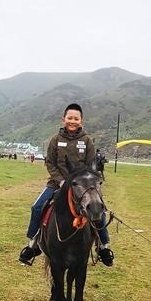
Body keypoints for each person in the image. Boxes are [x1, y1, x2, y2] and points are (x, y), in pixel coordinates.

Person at [18, 103, 113, 267]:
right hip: (57, 183)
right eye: (70, 118)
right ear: (64, 119)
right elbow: (50, 163)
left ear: (81, 121)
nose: (73, 121)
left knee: (99, 209)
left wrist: (84, 182)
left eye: (76, 118)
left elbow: (91, 165)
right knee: (37, 207)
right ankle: (32, 245)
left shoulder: (87, 141)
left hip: (83, 186)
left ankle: (103, 246)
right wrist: (62, 181)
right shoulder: (55, 140)